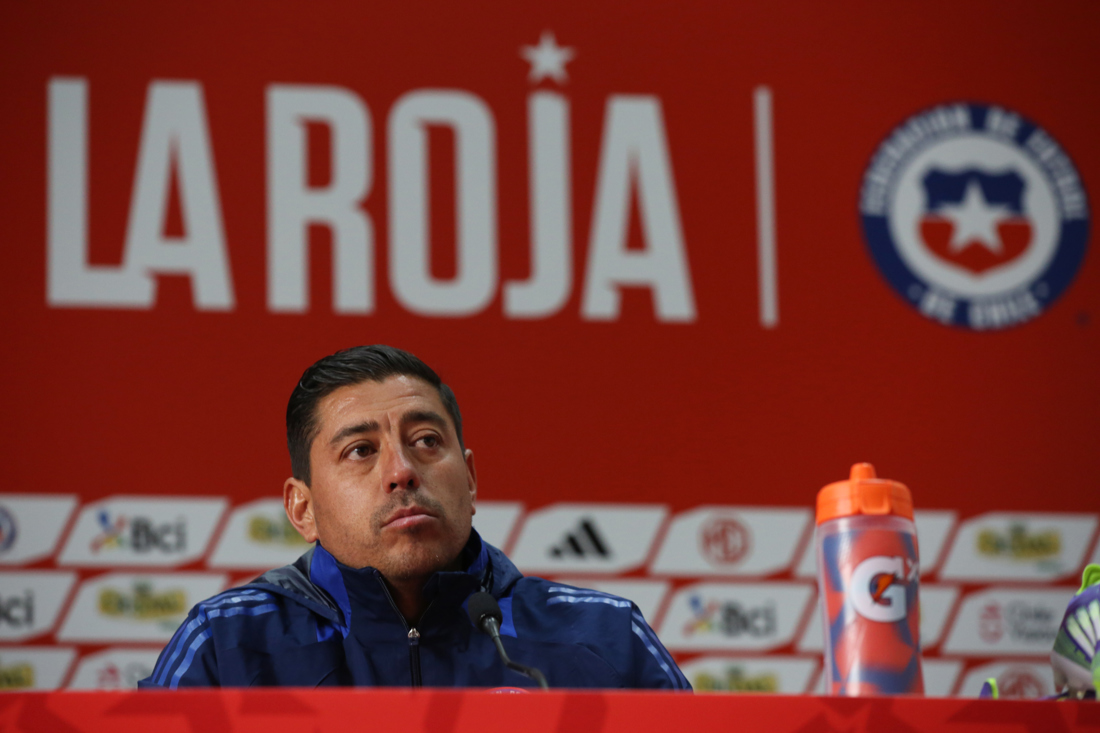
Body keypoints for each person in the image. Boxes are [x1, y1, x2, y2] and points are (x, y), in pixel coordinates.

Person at [140, 345, 690, 690]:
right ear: (302, 509)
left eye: (426, 441)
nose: (401, 472)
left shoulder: (605, 638)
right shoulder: (227, 644)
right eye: (360, 450)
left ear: (469, 479)